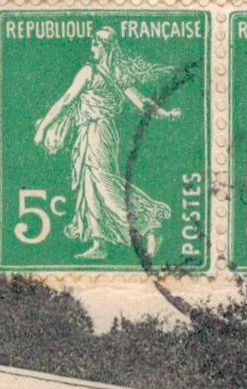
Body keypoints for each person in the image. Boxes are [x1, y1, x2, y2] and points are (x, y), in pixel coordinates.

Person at [33, 26, 179, 260]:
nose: (92, 47)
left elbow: (66, 100)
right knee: (88, 186)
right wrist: (165, 113)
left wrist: (42, 128)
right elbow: (141, 102)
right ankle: (98, 243)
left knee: (104, 185)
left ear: (106, 47)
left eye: (95, 43)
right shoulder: (112, 73)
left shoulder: (90, 72)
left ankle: (150, 227)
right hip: (88, 132)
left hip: (98, 132)